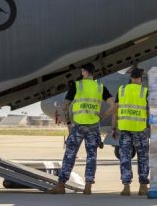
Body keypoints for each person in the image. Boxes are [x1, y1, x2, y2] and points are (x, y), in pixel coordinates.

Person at [47, 63, 114, 195]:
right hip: (94, 127)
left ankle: (61, 186)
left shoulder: (77, 85)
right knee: (91, 156)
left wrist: (68, 123)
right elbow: (113, 105)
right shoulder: (100, 87)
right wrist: (101, 117)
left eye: (82, 71)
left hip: (78, 126)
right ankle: (88, 186)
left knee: (70, 155)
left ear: (85, 72)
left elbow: (65, 106)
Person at [112, 68, 150, 196]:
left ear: (131, 78)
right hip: (140, 129)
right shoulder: (144, 91)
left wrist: (113, 127)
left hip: (125, 129)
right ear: (140, 78)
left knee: (125, 158)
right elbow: (149, 110)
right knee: (143, 157)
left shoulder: (121, 90)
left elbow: (115, 110)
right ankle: (143, 186)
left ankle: (126, 187)